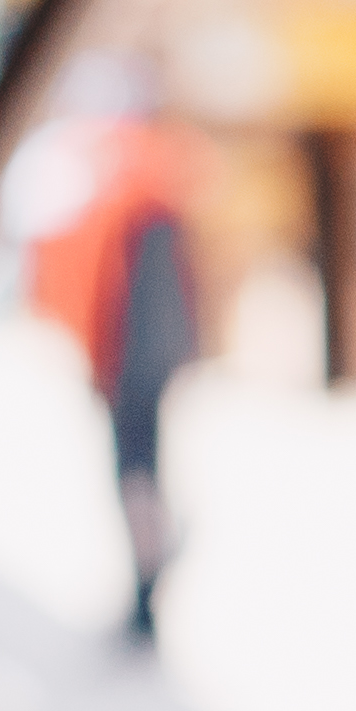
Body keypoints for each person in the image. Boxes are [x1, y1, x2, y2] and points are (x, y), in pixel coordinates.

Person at [29, 112, 209, 641]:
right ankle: (147, 583)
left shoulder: (130, 217)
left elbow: (123, 308)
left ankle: (146, 589)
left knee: (136, 478)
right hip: (142, 371)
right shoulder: (153, 217)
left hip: (131, 373)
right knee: (143, 476)